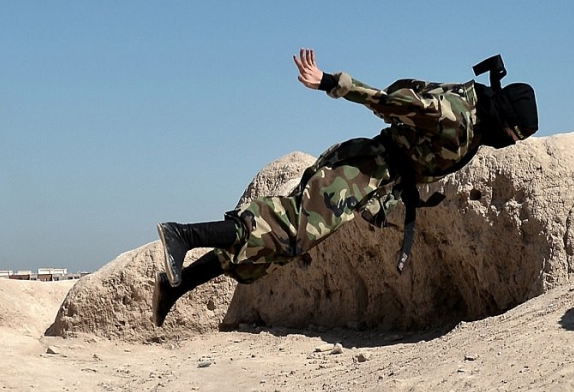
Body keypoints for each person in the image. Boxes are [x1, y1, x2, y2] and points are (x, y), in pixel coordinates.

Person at [152, 49, 538, 327]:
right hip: (358, 170)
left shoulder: (475, 123)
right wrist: (331, 82)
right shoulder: (455, 117)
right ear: (503, 117)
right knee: (286, 228)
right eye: (510, 135)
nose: (507, 141)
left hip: (371, 181)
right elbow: (387, 101)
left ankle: (180, 284)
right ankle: (183, 234)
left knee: (275, 249)